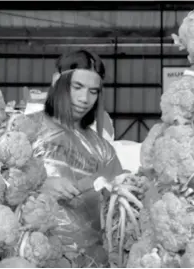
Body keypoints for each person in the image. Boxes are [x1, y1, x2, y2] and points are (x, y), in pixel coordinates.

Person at [28, 50, 123, 267]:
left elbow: (120, 203)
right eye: (77, 87)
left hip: (88, 260)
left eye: (93, 91)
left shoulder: (103, 150)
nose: (84, 99)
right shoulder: (24, 130)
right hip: (32, 255)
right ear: (57, 82)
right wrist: (38, 186)